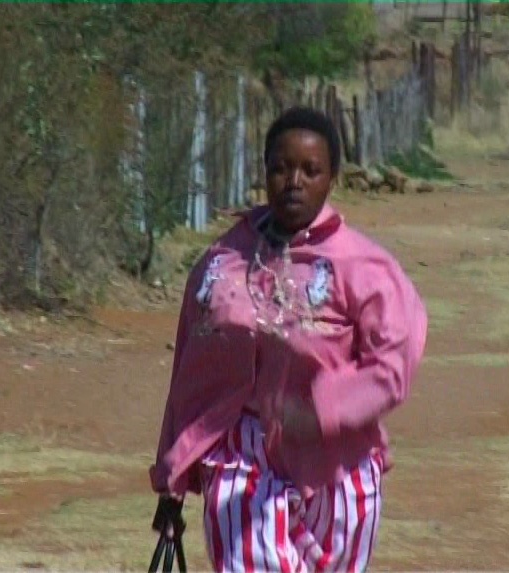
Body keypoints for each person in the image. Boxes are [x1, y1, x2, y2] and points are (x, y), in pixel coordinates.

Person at [150, 106, 427, 572]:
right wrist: (172, 478)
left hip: (340, 463)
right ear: (265, 172)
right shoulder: (222, 263)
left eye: (310, 170)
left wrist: (325, 407)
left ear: (332, 178)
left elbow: (393, 364)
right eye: (280, 168)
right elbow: (190, 375)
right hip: (242, 459)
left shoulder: (364, 267)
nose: (293, 182)